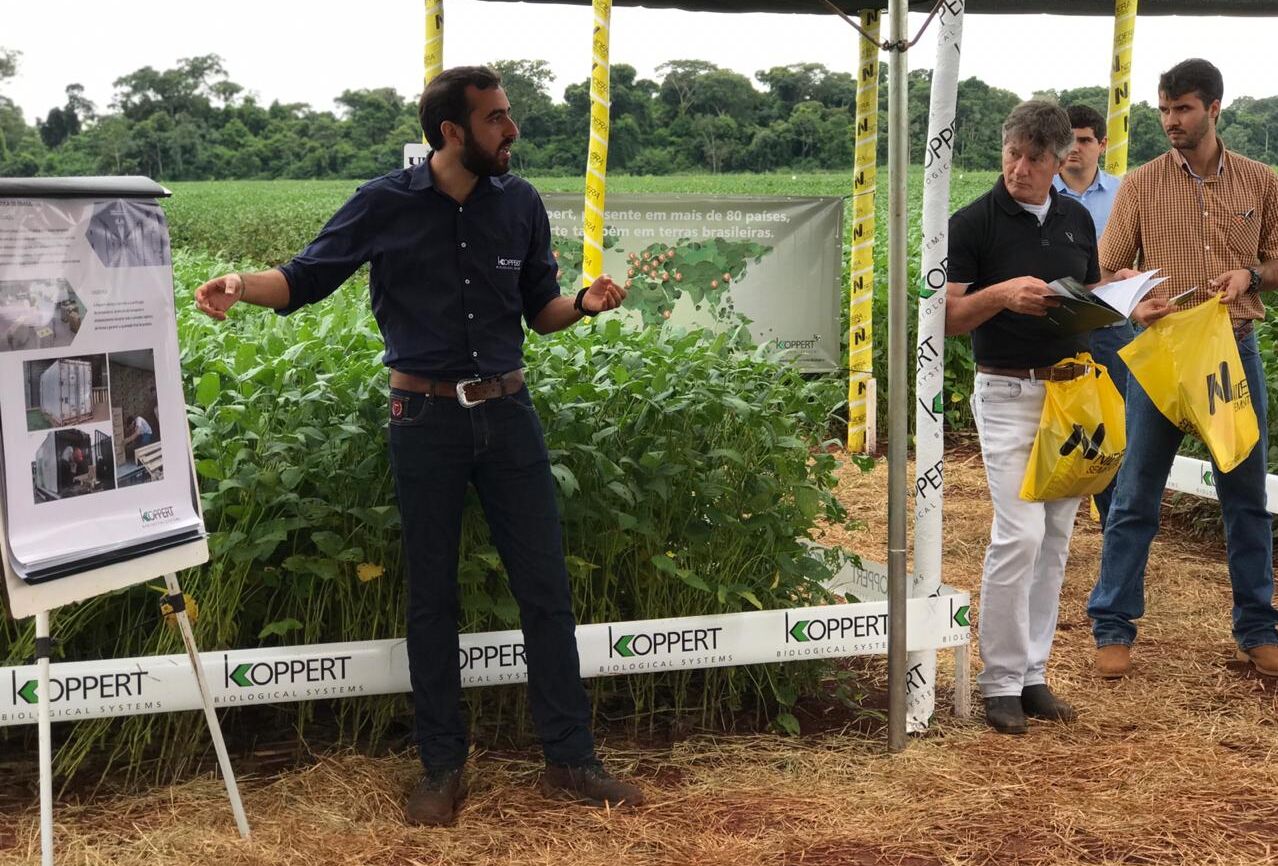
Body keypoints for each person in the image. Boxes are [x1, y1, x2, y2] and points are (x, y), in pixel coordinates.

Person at [194, 66, 643, 825]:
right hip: (423, 420)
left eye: (509, 115)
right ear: (452, 133)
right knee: (432, 598)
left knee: (545, 591)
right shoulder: (384, 203)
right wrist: (240, 282)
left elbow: (540, 310)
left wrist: (584, 306)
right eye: (497, 118)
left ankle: (571, 762)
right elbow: (304, 278)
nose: (512, 130)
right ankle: (442, 767)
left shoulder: (522, 204)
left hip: (509, 417)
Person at [1088, 58, 1278, 679]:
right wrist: (1138, 300)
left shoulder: (1262, 183)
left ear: (1215, 108)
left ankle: (1257, 626)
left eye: (1183, 109)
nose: (1171, 120)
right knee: (1136, 493)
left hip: (1234, 349)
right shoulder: (1140, 185)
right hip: (1164, 357)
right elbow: (1107, 270)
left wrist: (1249, 275)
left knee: (1244, 496)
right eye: (1165, 109)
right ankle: (1113, 626)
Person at [945, 101, 1102, 734]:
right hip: (1007, 393)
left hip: (1067, 397)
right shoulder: (972, 222)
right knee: (1021, 534)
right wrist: (1004, 295)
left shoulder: (1078, 221)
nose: (1020, 167)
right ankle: (999, 680)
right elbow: (949, 318)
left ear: (1061, 158)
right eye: (1013, 153)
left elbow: (1084, 299)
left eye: (1035, 158)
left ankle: (1032, 673)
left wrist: (1118, 299)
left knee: (1057, 539)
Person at [1053, 104, 1133, 527]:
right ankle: (1055, 518)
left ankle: (1113, 523)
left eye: (1084, 140)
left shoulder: (1125, 193)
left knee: (1114, 426)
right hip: (1057, 330)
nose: (1075, 149)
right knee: (1059, 424)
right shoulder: (1039, 195)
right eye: (1068, 139)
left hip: (1112, 328)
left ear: (1102, 144)